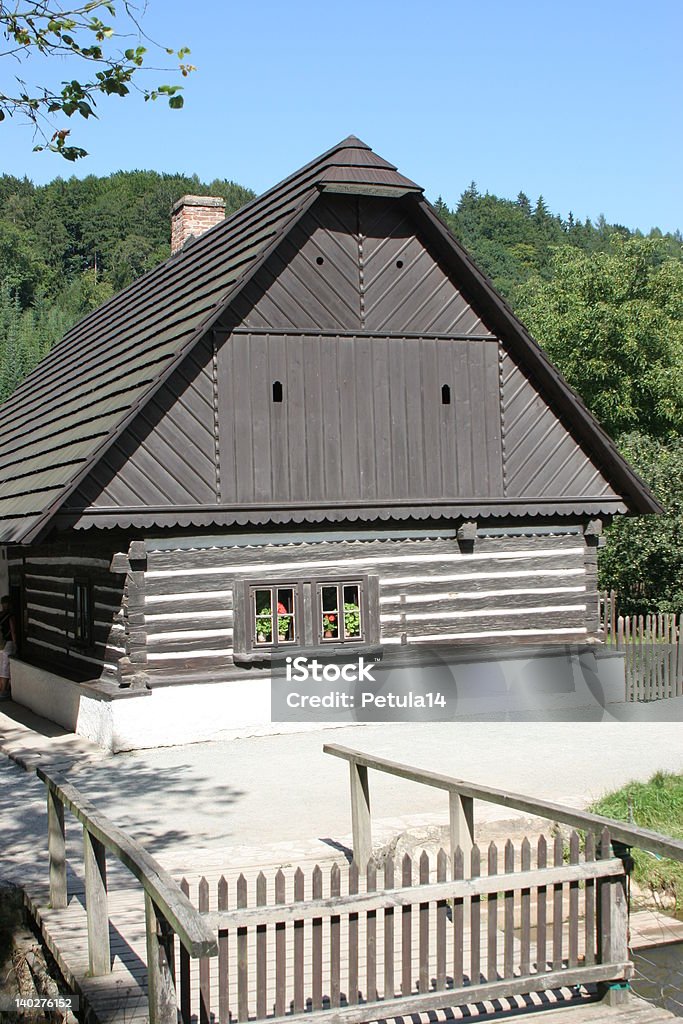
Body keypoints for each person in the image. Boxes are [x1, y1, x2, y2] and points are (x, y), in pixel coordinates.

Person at [0, 596, 17, 700]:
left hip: (0, 643)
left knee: (1, 666)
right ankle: (3, 691)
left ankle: (1, 689)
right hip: (7, 643)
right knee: (5, 667)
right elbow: (13, 631)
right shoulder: (10, 616)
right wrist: (15, 645)